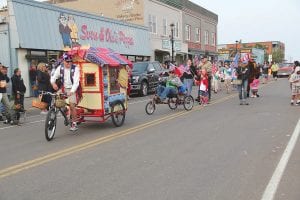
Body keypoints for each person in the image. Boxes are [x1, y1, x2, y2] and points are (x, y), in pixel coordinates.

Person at [50, 54, 80, 131]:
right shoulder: (60, 68)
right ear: (63, 61)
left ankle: (74, 123)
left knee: (72, 105)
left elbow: (76, 82)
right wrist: (53, 83)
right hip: (64, 88)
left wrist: (72, 92)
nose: (69, 63)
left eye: (70, 61)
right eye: (67, 62)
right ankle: (64, 110)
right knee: (56, 98)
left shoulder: (75, 68)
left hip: (73, 88)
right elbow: (53, 77)